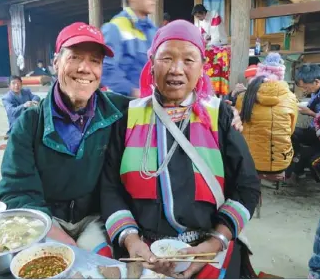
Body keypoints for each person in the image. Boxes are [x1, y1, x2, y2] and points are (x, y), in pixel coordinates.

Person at [100, 20, 260, 278]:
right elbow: (110, 187)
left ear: (202, 68)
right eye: (166, 58)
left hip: (207, 245)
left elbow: (247, 185)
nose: (176, 69)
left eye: (188, 60)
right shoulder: (128, 117)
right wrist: (130, 240)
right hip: (143, 247)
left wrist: (217, 240)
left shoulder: (220, 116)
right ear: (151, 64)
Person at [0, 22, 130, 258]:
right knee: (54, 266)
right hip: (47, 219)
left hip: (96, 218)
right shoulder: (30, 123)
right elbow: (16, 192)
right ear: (56, 62)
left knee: (104, 268)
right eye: (75, 57)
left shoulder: (118, 111)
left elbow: (160, 109)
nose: (85, 68)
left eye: (95, 61)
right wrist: (62, 240)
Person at [235, 53, 298, 174]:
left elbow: (239, 129)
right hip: (281, 163)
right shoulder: (291, 98)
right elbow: (291, 130)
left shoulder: (244, 97)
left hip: (249, 161)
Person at [101, 0, 157, 97]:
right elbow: (106, 69)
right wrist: (134, 92)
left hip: (151, 99)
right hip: (126, 104)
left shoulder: (154, 30)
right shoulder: (115, 27)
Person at [290, 64, 320, 179]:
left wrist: (310, 113)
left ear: (316, 82)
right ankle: (298, 166)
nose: (304, 90)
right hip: (315, 131)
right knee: (291, 131)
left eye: (306, 87)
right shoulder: (315, 92)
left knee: (312, 158)